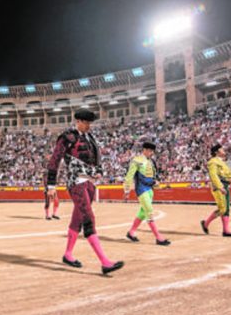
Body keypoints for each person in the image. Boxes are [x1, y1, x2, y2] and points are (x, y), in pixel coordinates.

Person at [46, 109, 123, 275]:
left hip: (90, 183)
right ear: (78, 121)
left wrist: (99, 171)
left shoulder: (90, 138)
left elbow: (97, 159)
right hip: (76, 182)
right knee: (89, 218)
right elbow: (55, 160)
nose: (89, 126)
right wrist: (51, 185)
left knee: (78, 219)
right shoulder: (67, 137)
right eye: (86, 123)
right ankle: (105, 262)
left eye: (90, 123)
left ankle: (68, 254)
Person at [124, 142, 170, 246]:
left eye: (152, 151)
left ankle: (131, 233)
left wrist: (155, 183)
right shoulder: (136, 161)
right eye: (149, 150)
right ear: (144, 150)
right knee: (149, 212)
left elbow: (153, 176)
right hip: (141, 190)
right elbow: (129, 176)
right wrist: (126, 190)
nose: (151, 153)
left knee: (142, 213)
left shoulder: (151, 161)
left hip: (149, 190)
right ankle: (158, 238)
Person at [201, 144, 231, 237]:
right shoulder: (212, 162)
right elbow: (213, 176)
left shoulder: (222, 162)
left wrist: (230, 181)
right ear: (216, 152)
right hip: (219, 187)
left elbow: (224, 174)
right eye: (221, 149)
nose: (223, 150)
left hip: (225, 185)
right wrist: (220, 187)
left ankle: (226, 230)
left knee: (226, 208)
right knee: (222, 208)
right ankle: (205, 223)